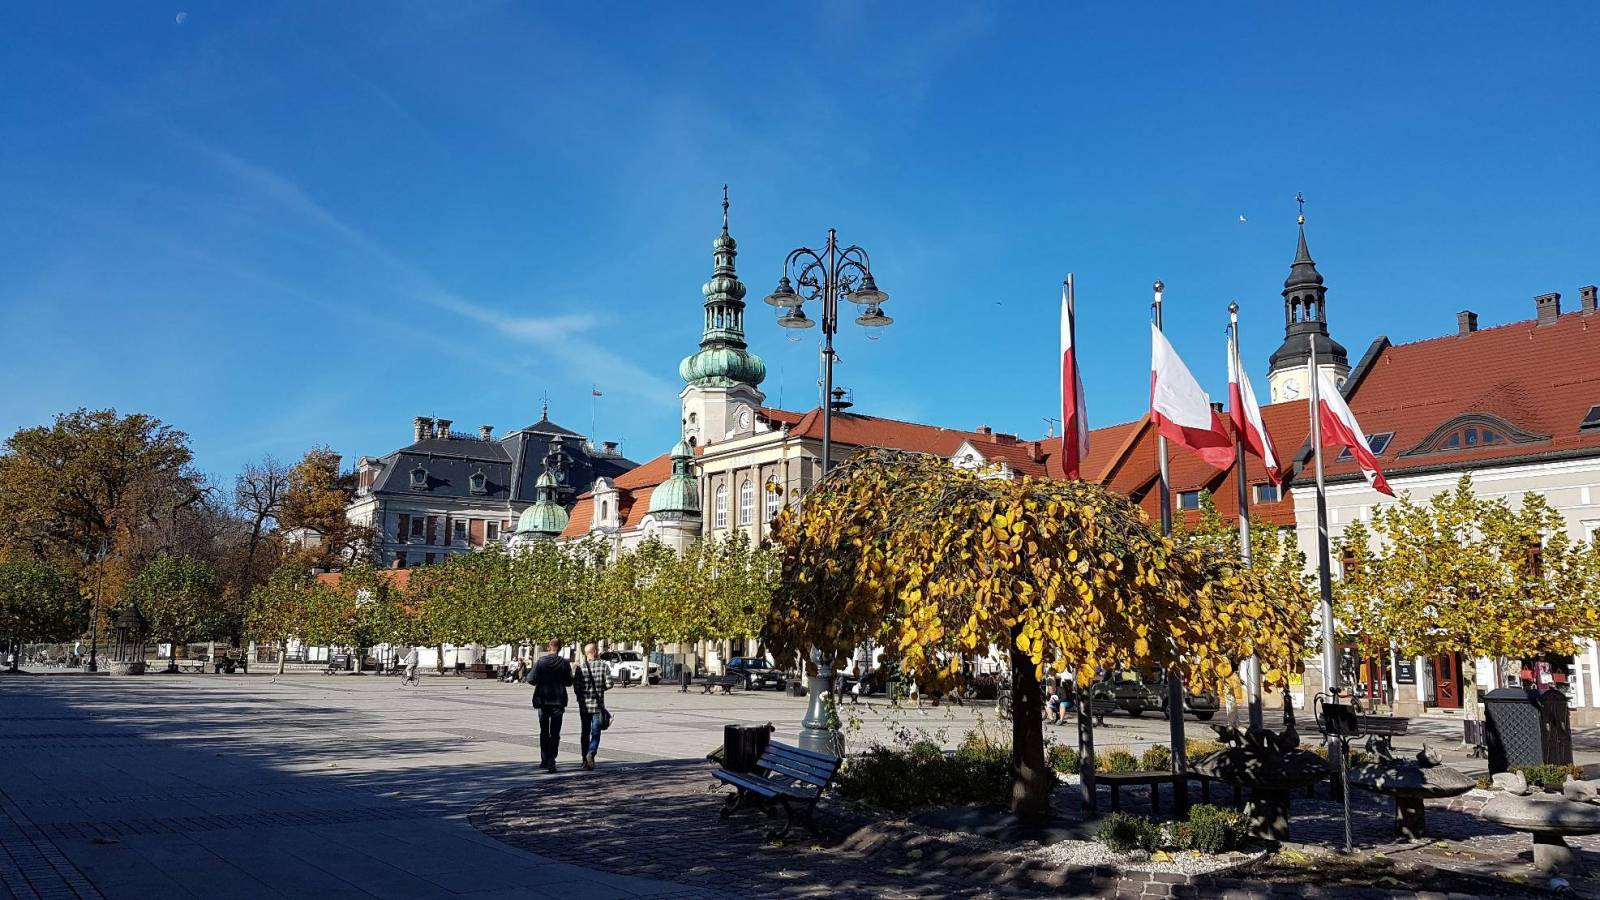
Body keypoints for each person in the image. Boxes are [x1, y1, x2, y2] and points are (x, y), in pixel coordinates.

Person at [528, 640, 572, 773]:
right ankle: (552, 758)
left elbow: (530, 679)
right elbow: (569, 682)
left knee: (544, 731)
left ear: (548, 647)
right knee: (555, 732)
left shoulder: (541, 662)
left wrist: (541, 681)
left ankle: (544, 759)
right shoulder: (564, 663)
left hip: (543, 700)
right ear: (560, 648)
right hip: (558, 700)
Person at [574, 643, 612, 771]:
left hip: (584, 706)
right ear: (595, 651)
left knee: (585, 732)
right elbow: (609, 684)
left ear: (586, 653)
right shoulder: (604, 666)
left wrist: (582, 695)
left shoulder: (581, 667)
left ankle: (584, 759)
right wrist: (600, 688)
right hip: (598, 705)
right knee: (596, 732)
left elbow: (576, 687)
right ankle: (591, 752)